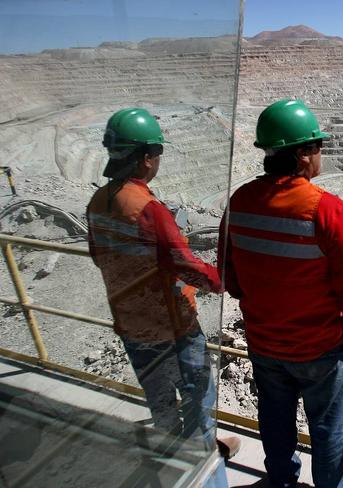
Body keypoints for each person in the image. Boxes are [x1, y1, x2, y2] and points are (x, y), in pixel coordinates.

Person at [218, 99, 343, 488]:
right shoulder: (326, 209)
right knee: (329, 429)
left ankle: (283, 481)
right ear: (302, 155)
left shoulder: (239, 201)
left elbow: (229, 276)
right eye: (317, 146)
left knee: (275, 419)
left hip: (265, 342)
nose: (320, 154)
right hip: (318, 347)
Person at [87, 107, 240, 462]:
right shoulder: (146, 207)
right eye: (157, 153)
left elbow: (99, 256)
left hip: (132, 324)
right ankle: (200, 462)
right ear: (143, 159)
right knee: (199, 394)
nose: (158, 160)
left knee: (160, 400)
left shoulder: (97, 203)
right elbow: (184, 263)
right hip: (173, 327)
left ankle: (170, 458)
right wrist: (222, 281)